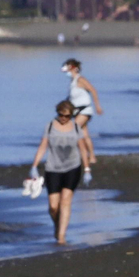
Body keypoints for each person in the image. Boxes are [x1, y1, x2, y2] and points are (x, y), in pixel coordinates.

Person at [30, 100, 83, 245]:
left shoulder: (76, 127)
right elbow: (43, 146)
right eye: (61, 115)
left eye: (67, 116)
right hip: (53, 169)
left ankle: (61, 236)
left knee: (66, 200)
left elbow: (82, 147)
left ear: (71, 115)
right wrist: (34, 166)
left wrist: (88, 168)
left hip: (73, 167)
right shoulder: (50, 126)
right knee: (53, 206)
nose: (64, 118)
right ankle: (57, 225)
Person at [60, 59, 104, 181]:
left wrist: (98, 107)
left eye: (68, 68)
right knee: (84, 135)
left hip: (85, 110)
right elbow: (71, 98)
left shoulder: (80, 79)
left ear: (73, 68)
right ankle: (92, 157)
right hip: (76, 111)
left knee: (72, 129)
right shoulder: (72, 82)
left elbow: (93, 90)